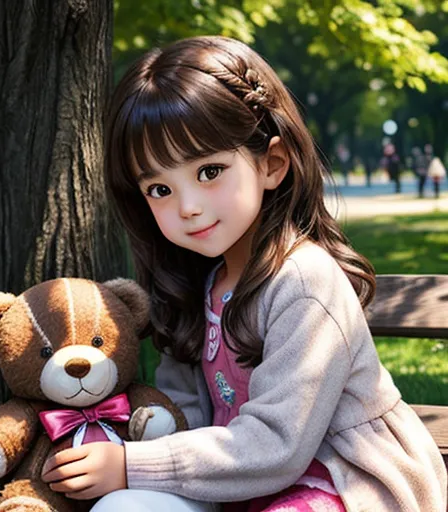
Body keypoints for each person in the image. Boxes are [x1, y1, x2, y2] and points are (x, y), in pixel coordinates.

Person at [41, 36, 447, 511]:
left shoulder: (303, 281)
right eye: (159, 188)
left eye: (210, 171)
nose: (188, 206)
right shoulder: (199, 285)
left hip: (342, 482)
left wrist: (132, 463)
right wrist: (126, 450)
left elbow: (279, 445)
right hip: (239, 480)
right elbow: (182, 413)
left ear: (272, 164)